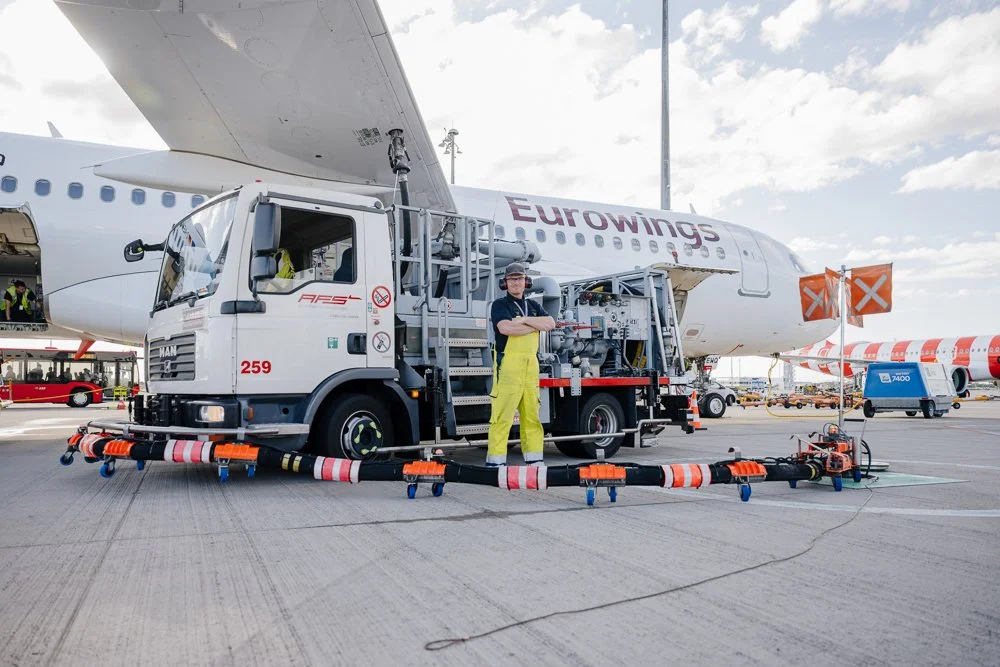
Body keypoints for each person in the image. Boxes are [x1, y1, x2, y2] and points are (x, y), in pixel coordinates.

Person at [486, 263, 555, 467]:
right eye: (512, 279)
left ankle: (534, 459)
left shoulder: (533, 306)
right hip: (508, 365)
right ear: (505, 283)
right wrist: (534, 325)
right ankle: (496, 461)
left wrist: (523, 321)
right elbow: (506, 328)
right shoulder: (499, 305)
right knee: (502, 416)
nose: (516, 282)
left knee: (532, 415)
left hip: (530, 366)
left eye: (519, 279)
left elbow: (550, 323)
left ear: (526, 281)